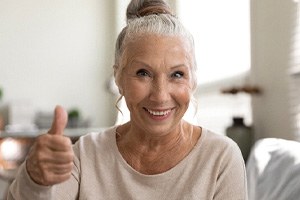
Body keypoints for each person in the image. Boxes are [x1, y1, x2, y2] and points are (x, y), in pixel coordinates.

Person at [7, 0, 247, 199]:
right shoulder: (85, 155)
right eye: (143, 73)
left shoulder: (221, 158)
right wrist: (35, 180)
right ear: (118, 78)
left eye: (177, 74)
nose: (160, 95)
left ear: (193, 80)